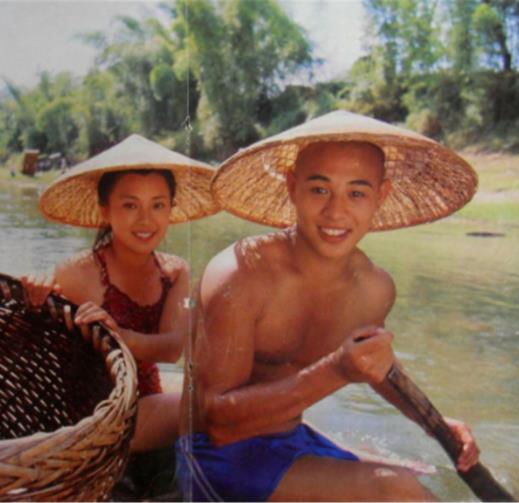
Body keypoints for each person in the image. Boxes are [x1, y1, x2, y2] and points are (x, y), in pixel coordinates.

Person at [176, 111, 481, 501]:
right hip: (212, 457)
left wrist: (433, 423)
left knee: (414, 483)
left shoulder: (374, 288)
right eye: (320, 190)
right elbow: (218, 423)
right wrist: (337, 370)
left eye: (357, 193)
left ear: (381, 196)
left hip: (292, 441)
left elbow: (375, 364)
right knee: (396, 488)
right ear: (293, 187)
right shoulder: (241, 274)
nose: (336, 212)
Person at [22, 134, 218, 458]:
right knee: (210, 405)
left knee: (221, 399)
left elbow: (173, 348)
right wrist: (34, 297)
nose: (146, 219)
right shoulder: (78, 272)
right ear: (105, 211)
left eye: (158, 205)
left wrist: (117, 335)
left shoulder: (174, 272)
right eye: (130, 205)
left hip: (147, 405)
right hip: (92, 419)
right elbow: (34, 344)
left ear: (171, 209)